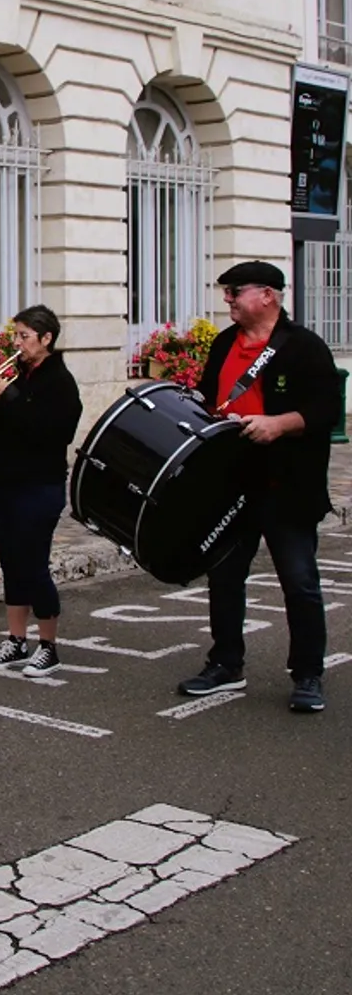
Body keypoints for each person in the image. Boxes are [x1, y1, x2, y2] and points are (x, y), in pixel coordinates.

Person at [176, 261, 340, 714]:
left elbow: (327, 409)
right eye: (226, 291)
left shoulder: (303, 346)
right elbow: (209, 398)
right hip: (233, 483)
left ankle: (307, 674)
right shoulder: (225, 343)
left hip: (286, 485)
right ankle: (225, 663)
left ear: (267, 295)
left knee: (299, 581)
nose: (227, 299)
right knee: (225, 577)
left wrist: (279, 424)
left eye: (235, 291)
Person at [0, 305, 84, 673]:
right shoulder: (20, 376)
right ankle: (16, 640)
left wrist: (7, 397)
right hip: (6, 484)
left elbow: (54, 431)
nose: (17, 343)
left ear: (46, 339)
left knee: (33, 564)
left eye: (24, 336)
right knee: (11, 562)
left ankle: (48, 645)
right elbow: (1, 428)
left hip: (39, 487)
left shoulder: (59, 381)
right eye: (16, 335)